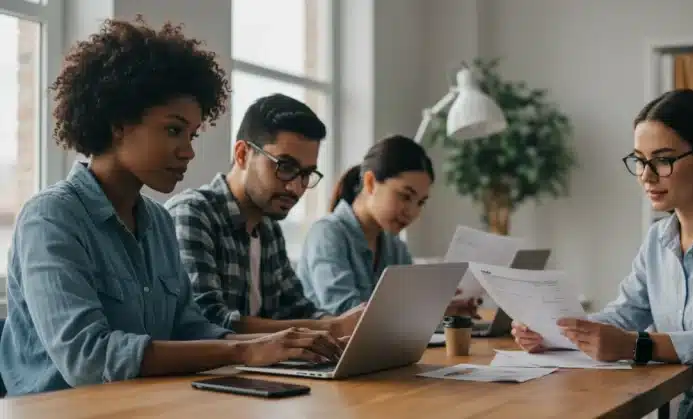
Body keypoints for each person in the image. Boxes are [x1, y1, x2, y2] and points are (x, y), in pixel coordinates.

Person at [0, 17, 344, 397]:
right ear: (119, 123)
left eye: (192, 135)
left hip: (145, 405)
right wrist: (246, 349)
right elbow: (88, 357)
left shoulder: (159, 222)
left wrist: (280, 345)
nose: (188, 151)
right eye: (173, 130)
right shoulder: (51, 218)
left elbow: (190, 328)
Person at [512, 89, 693, 416]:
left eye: (663, 160)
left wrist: (640, 345)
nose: (647, 176)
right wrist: (555, 332)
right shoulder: (658, 239)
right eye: (640, 161)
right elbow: (623, 315)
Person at [165, 94, 363, 339]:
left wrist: (349, 323)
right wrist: (331, 328)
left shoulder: (269, 227)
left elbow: (296, 308)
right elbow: (208, 321)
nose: (295, 188)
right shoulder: (193, 213)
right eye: (285, 167)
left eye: (306, 174)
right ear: (242, 154)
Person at [296, 135, 479, 316]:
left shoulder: (396, 247)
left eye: (420, 202)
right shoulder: (327, 234)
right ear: (370, 183)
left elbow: (406, 308)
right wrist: (422, 309)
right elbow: (346, 312)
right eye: (405, 196)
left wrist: (440, 309)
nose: (412, 212)